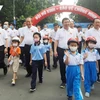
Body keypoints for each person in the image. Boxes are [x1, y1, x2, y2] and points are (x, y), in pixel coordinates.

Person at [54, 18, 77, 88]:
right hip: (61, 50)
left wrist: (75, 50)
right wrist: (55, 50)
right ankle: (63, 81)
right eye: (65, 22)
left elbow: (75, 41)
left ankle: (71, 80)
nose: (66, 23)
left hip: (71, 50)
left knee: (71, 65)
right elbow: (56, 41)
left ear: (70, 23)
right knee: (62, 65)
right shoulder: (59, 31)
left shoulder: (73, 31)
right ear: (62, 23)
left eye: (68, 22)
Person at [85, 18, 100, 83]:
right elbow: (86, 41)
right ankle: (93, 76)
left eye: (99, 22)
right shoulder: (89, 31)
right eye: (96, 22)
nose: (97, 24)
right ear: (93, 23)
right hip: (93, 49)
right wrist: (86, 50)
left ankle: (97, 76)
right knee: (93, 63)